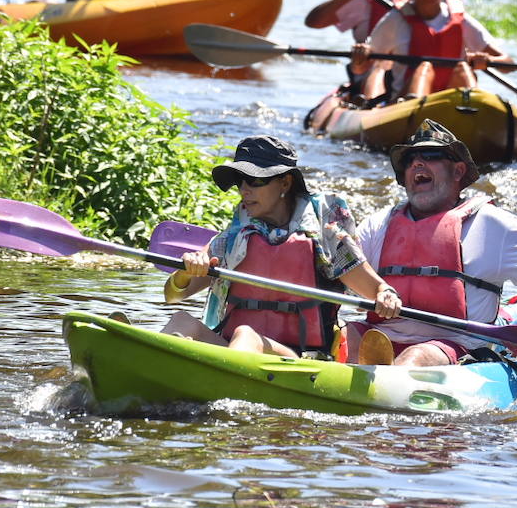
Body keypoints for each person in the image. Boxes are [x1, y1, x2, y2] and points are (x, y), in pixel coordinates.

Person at [347, 120, 517, 367]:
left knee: (415, 358)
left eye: (431, 155)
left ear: (458, 171)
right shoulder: (377, 224)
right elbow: (340, 270)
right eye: (409, 159)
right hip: (380, 334)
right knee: (346, 333)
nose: (417, 163)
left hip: (455, 343)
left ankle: (381, 378)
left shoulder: (492, 224)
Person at [162, 135, 403, 358]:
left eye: (255, 180)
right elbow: (173, 295)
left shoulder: (325, 235)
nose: (244, 189)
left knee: (246, 335)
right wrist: (186, 272)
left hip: (300, 359)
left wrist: (386, 294)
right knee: (181, 321)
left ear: (285, 183)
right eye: (240, 181)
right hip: (236, 353)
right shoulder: (235, 236)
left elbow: (375, 288)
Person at [352, 0, 508, 102]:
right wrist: (360, 58)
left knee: (462, 68)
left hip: (450, 103)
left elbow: (508, 64)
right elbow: (360, 69)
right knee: (424, 68)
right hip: (405, 104)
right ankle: (417, 105)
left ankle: (473, 107)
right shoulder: (395, 20)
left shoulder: (460, 19)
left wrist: (488, 61)